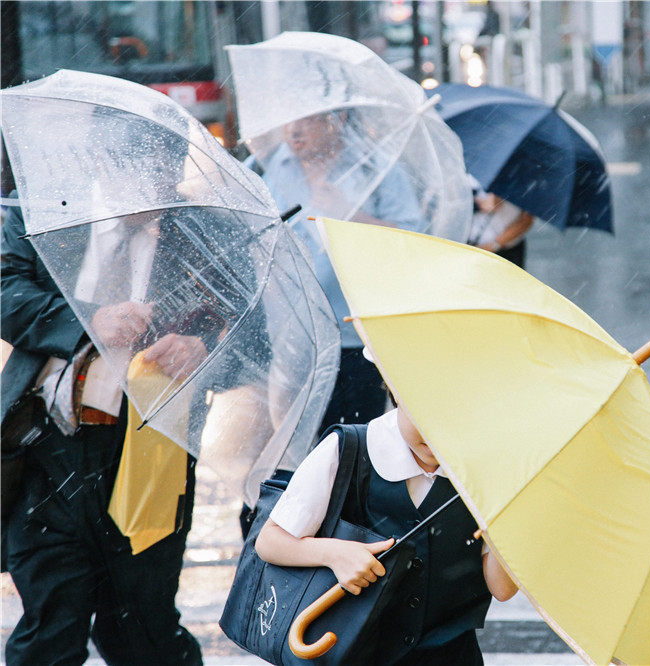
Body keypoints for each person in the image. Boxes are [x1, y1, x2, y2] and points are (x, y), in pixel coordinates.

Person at [1, 122, 267, 664]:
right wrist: (88, 320)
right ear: (101, 170)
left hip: (153, 449)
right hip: (48, 447)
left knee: (142, 628)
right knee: (50, 623)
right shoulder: (47, 216)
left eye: (161, 186)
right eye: (135, 184)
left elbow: (252, 334)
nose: (150, 202)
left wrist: (204, 351)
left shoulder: (205, 233)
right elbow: (6, 291)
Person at [255, 400, 518, 664]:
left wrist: (509, 510)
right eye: (423, 415)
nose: (434, 435)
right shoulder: (350, 448)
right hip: (353, 652)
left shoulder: (487, 471)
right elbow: (270, 540)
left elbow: (502, 589)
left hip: (451, 656)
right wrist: (333, 554)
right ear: (397, 395)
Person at [253, 110, 423, 433]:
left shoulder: (377, 168)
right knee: (298, 450)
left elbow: (411, 242)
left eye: (309, 119)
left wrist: (350, 215)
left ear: (338, 119)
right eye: (289, 118)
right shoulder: (271, 168)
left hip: (357, 335)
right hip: (293, 337)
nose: (294, 128)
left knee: (356, 447)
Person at [470, 191, 534, 268]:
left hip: (505, 249)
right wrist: (477, 203)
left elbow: (526, 221)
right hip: (470, 241)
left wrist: (494, 245)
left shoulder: (525, 187)